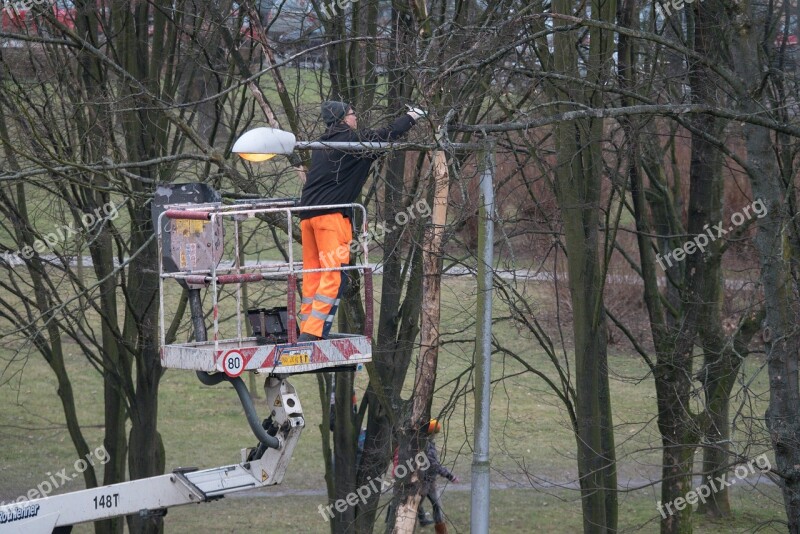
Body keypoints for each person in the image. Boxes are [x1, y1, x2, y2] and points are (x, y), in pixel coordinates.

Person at [297, 101, 424, 341]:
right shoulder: (353, 141)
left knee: (313, 275)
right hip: (330, 219)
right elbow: (387, 135)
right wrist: (412, 116)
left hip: (308, 217)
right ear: (344, 118)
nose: (356, 119)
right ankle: (313, 333)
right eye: (353, 114)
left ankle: (306, 329)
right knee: (334, 275)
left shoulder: (321, 145)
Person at [419, 419, 459, 533]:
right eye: (435, 433)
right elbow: (435, 465)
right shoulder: (427, 446)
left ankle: (441, 530)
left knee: (436, 506)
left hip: (428, 482)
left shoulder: (425, 443)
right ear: (430, 433)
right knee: (415, 506)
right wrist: (450, 476)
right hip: (424, 483)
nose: (435, 435)